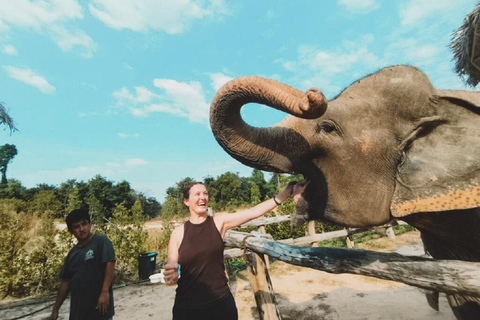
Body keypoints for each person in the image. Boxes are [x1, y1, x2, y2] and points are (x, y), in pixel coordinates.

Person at [164, 181, 296, 320]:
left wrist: (284, 194)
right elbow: (171, 271)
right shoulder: (177, 234)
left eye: (205, 193)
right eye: (197, 194)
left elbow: (253, 212)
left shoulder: (219, 223)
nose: (202, 197)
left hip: (220, 305)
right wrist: (171, 277)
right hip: (188, 309)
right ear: (186, 201)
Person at [50, 208, 116, 320]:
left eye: (84, 224)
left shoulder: (101, 241)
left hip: (99, 309)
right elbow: (66, 281)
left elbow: (110, 263)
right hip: (79, 312)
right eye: (76, 226)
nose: (81, 229)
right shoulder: (72, 254)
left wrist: (105, 292)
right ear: (71, 231)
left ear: (89, 225)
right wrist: (56, 308)